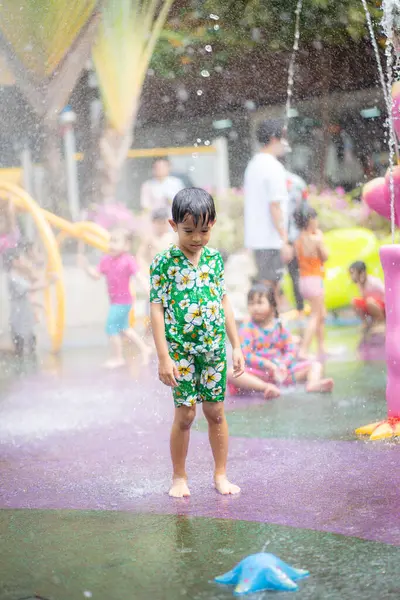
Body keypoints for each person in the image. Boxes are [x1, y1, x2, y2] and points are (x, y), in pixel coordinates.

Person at [150, 187, 245, 498]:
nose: (197, 238)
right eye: (189, 230)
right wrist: (163, 357)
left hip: (214, 349)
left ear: (212, 225)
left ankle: (221, 474)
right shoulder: (164, 263)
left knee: (216, 412)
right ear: (173, 225)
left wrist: (237, 345)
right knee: (186, 414)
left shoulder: (215, 259)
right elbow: (156, 310)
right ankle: (179, 477)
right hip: (180, 352)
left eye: (204, 231)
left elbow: (225, 302)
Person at [228, 283, 334, 397]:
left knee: (316, 365)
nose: (255, 307)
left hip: (282, 372)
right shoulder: (247, 328)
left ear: (272, 305)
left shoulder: (279, 326)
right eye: (251, 304)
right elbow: (245, 355)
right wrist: (268, 364)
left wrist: (283, 363)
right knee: (231, 373)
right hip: (258, 373)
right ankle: (266, 387)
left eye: (259, 303)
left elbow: (291, 349)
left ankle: (313, 384)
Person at [80, 229, 152, 368]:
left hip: (123, 301)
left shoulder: (128, 260)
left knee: (111, 327)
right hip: (115, 301)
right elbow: (95, 276)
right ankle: (145, 349)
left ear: (126, 246)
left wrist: (148, 289)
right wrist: (85, 267)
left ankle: (118, 358)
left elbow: (139, 276)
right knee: (124, 328)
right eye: (110, 241)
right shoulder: (106, 259)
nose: (112, 245)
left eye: (116, 241)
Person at [244, 119, 293, 291]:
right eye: (283, 139)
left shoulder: (253, 164)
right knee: (270, 287)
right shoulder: (273, 167)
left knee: (266, 286)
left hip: (257, 239)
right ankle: (272, 319)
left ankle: (272, 318)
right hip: (271, 239)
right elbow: (275, 206)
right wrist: (284, 240)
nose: (284, 144)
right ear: (274, 139)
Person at [4, 245, 55, 357]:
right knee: (21, 350)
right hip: (19, 322)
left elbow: (26, 295)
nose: (23, 261)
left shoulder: (18, 275)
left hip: (24, 319)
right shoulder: (13, 277)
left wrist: (38, 306)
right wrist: (49, 282)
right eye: (21, 259)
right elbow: (31, 288)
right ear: (14, 262)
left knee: (29, 345)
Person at [294, 206, 328, 360]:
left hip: (304, 280)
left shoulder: (299, 239)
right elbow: (325, 256)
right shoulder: (316, 237)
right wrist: (320, 240)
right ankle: (304, 350)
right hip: (314, 280)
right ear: (310, 221)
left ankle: (321, 348)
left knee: (320, 314)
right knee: (315, 316)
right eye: (315, 218)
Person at [286, 171, 309, 313]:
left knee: (293, 272)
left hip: (287, 235)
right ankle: (301, 307)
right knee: (298, 272)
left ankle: (300, 307)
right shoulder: (298, 182)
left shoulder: (291, 182)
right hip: (296, 234)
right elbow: (304, 209)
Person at [349, 261, 385, 335]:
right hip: (372, 305)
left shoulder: (374, 282)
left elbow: (387, 295)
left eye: (353, 273)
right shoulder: (360, 284)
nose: (352, 276)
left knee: (369, 301)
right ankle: (366, 323)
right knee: (354, 301)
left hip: (383, 307)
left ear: (362, 273)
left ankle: (381, 322)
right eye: (351, 274)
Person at [137, 208, 176, 275]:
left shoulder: (172, 237)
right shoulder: (149, 238)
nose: (161, 226)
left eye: (163, 223)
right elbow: (141, 255)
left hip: (169, 271)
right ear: (153, 222)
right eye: (158, 223)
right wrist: (146, 268)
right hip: (154, 270)